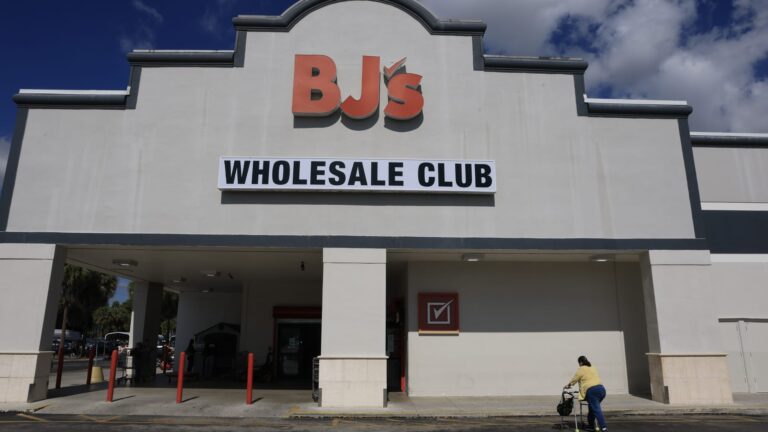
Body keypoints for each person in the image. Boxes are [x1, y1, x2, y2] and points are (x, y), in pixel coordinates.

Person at [564, 355, 607, 432]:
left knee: (596, 409)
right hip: (601, 390)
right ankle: (591, 426)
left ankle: (604, 428)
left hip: (592, 391)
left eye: (579, 363)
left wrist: (568, 385)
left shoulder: (581, 369)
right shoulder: (592, 367)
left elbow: (575, 379)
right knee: (592, 409)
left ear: (580, 362)